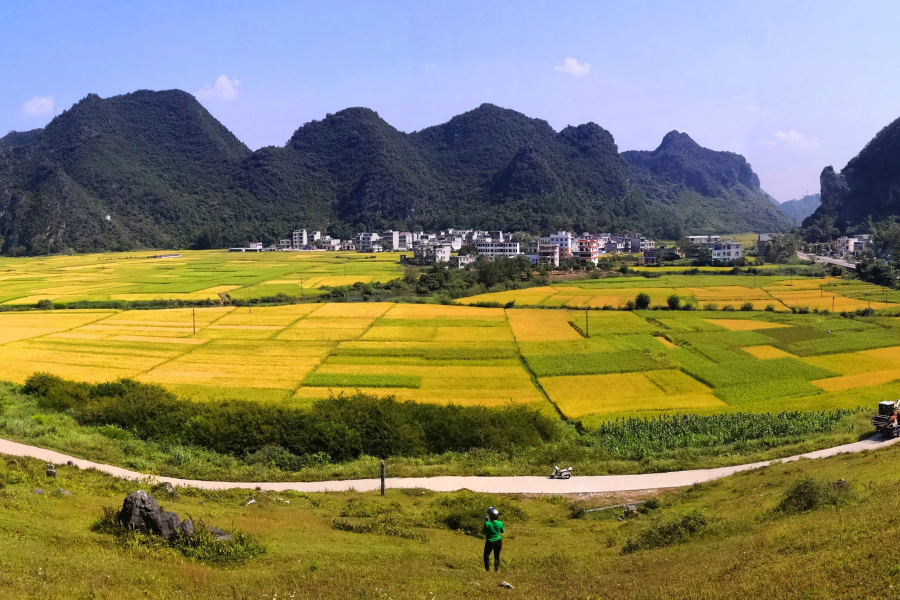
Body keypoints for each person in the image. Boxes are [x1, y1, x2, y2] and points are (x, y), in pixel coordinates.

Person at [483, 506, 504, 572]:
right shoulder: (500, 523)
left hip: (489, 541)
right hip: (498, 541)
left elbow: (483, 532)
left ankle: (487, 569)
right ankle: (496, 570)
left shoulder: (487, 523)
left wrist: (487, 522)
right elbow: (502, 531)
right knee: (497, 556)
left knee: (486, 555)